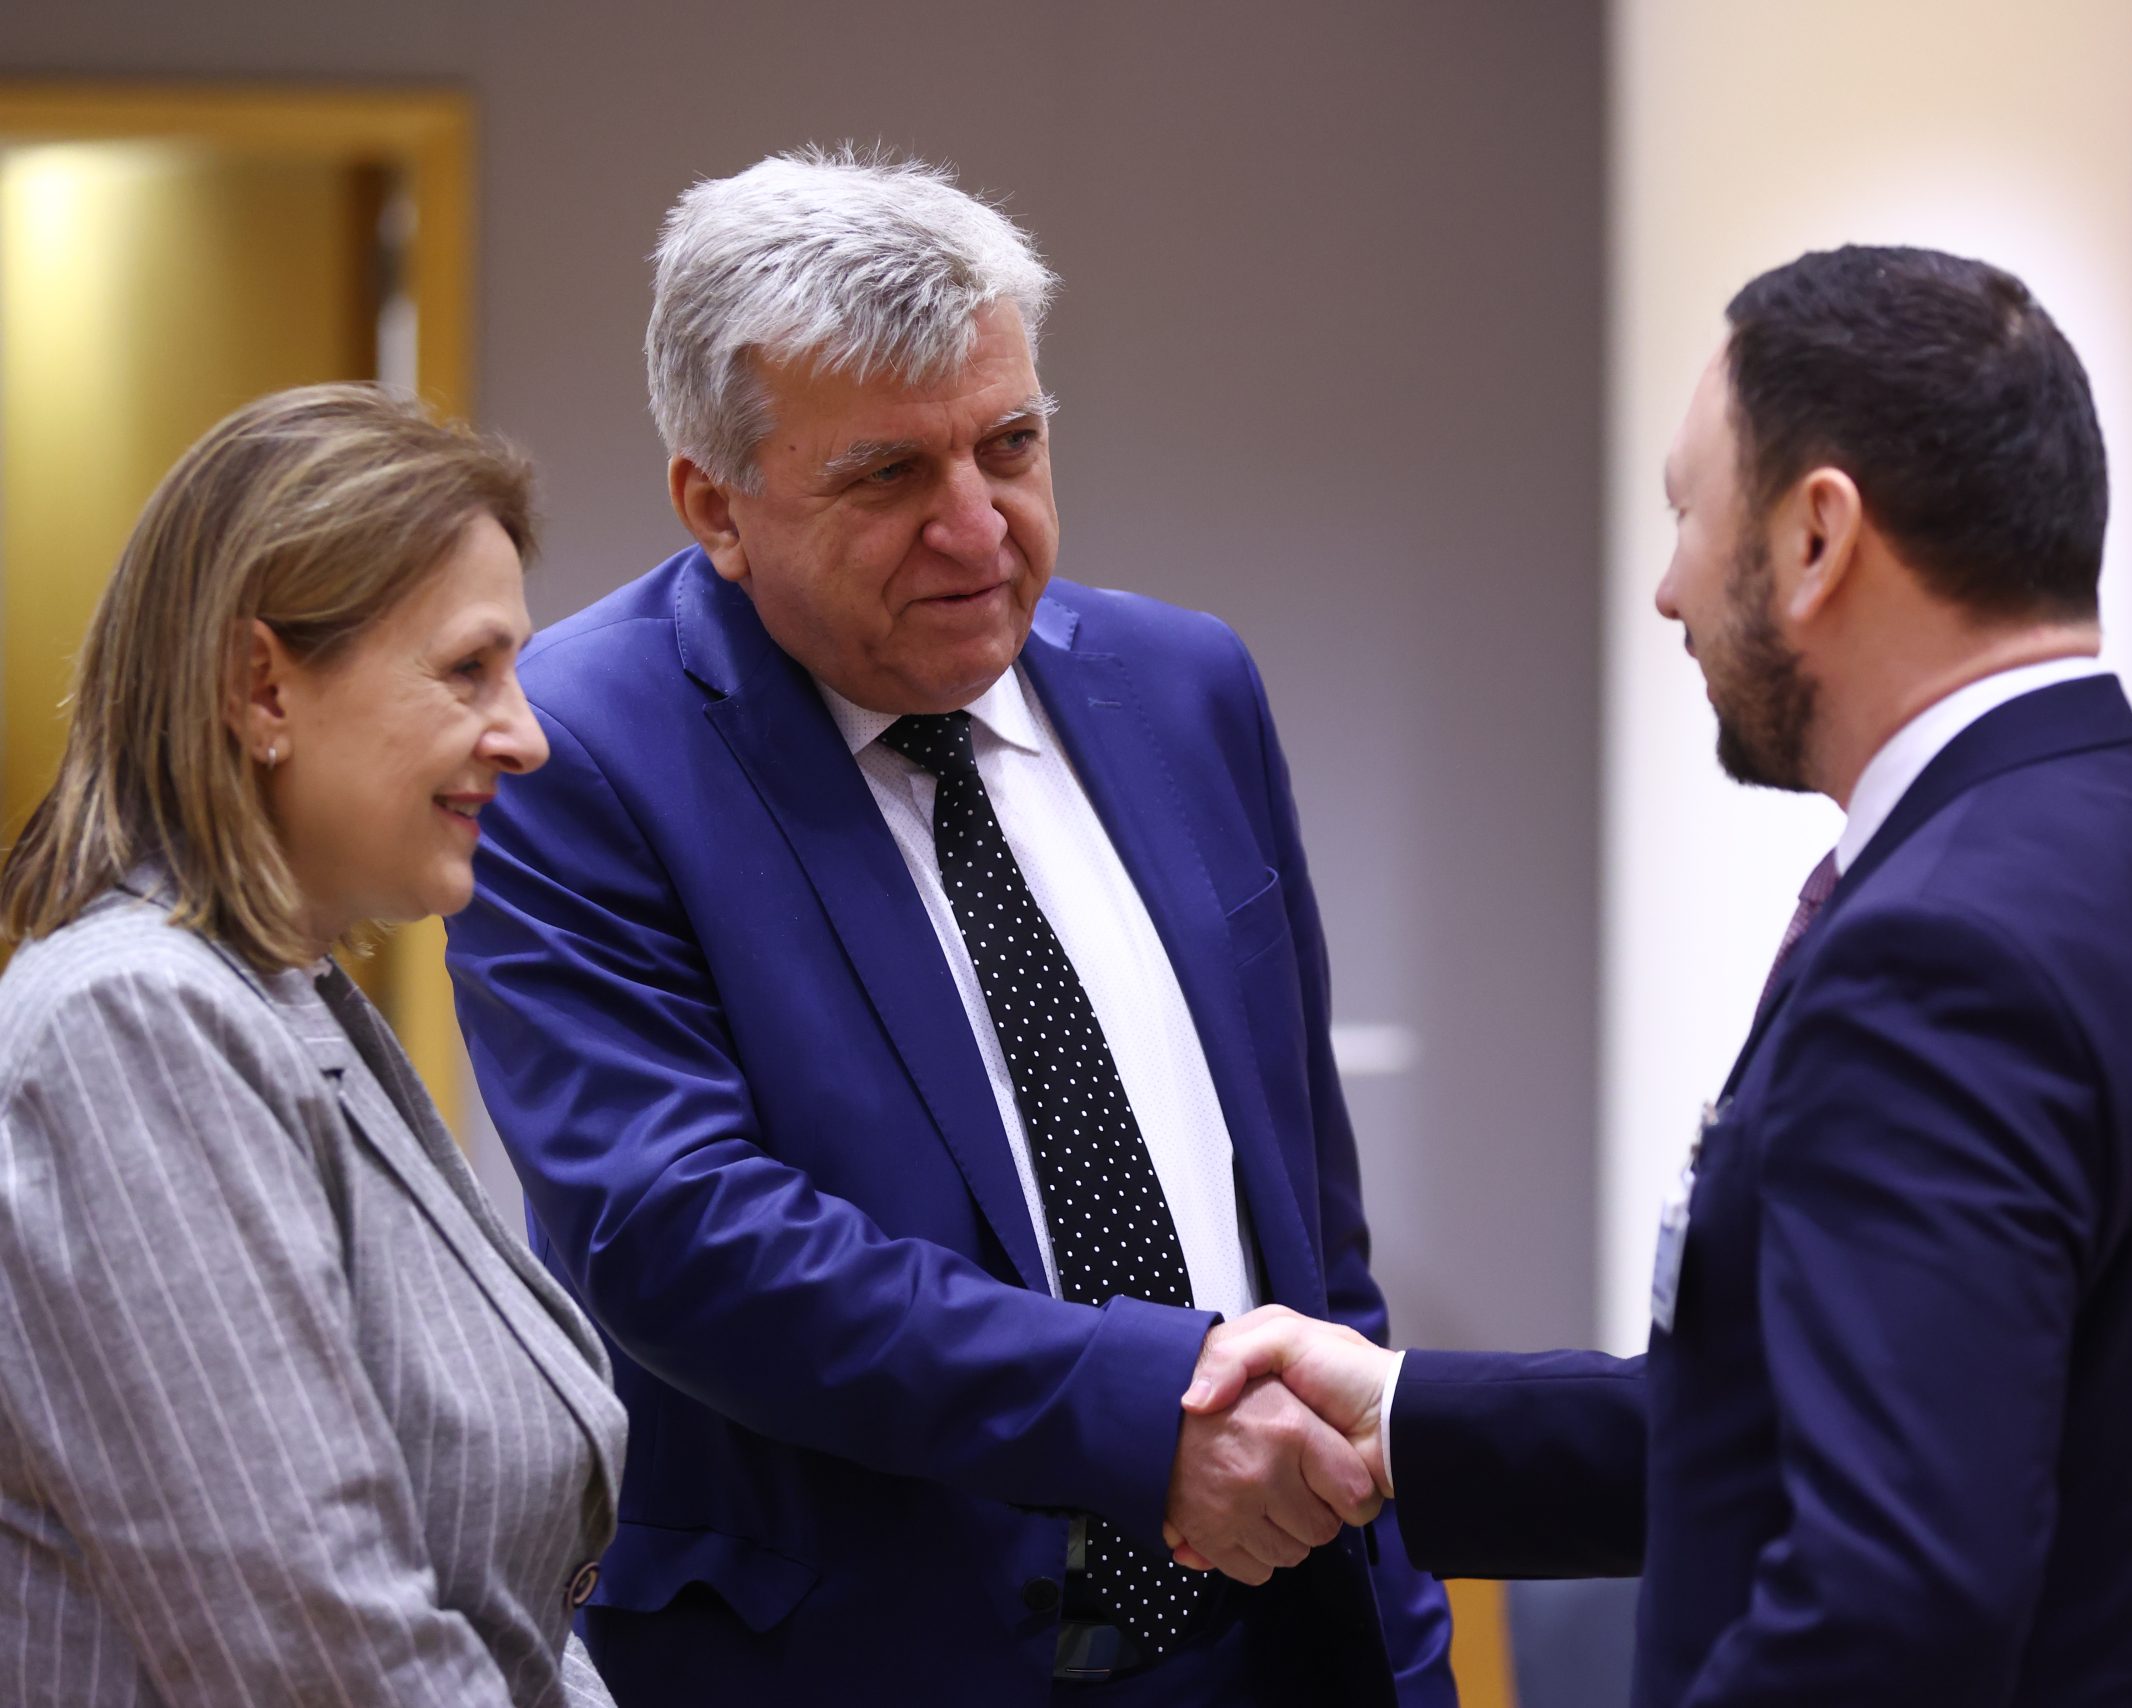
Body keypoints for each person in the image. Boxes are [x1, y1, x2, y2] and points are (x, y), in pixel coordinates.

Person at [1181, 245, 2132, 1706]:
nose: (1670, 589)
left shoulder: (1942, 955)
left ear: (1816, 536)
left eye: (1689, 511)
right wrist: (1405, 1414)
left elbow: (1888, 1601)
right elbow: (1904, 1432)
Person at [442, 146, 1454, 1706]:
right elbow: (684, 1238)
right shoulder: (574, 751)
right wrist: (1148, 1419)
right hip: (866, 1660)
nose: (978, 530)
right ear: (716, 504)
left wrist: (1396, 1625)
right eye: (887, 477)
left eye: (1011, 445)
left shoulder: (1187, 687)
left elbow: (1306, 1217)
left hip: (1272, 1641)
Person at [0, 384, 626, 1707]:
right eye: (469, 670)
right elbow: (318, 1648)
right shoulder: (135, 1022)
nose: (526, 735)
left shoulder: (281, 995)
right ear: (261, 685)